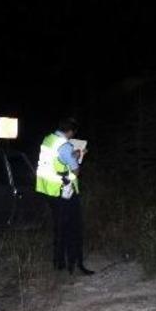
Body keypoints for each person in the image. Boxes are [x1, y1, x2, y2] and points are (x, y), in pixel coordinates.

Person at [36, 117, 94, 275]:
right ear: (70, 131)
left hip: (49, 191)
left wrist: (74, 154)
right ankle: (75, 264)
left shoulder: (49, 140)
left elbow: (59, 159)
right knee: (74, 228)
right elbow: (75, 171)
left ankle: (59, 263)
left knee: (59, 227)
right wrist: (80, 157)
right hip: (64, 192)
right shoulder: (65, 146)